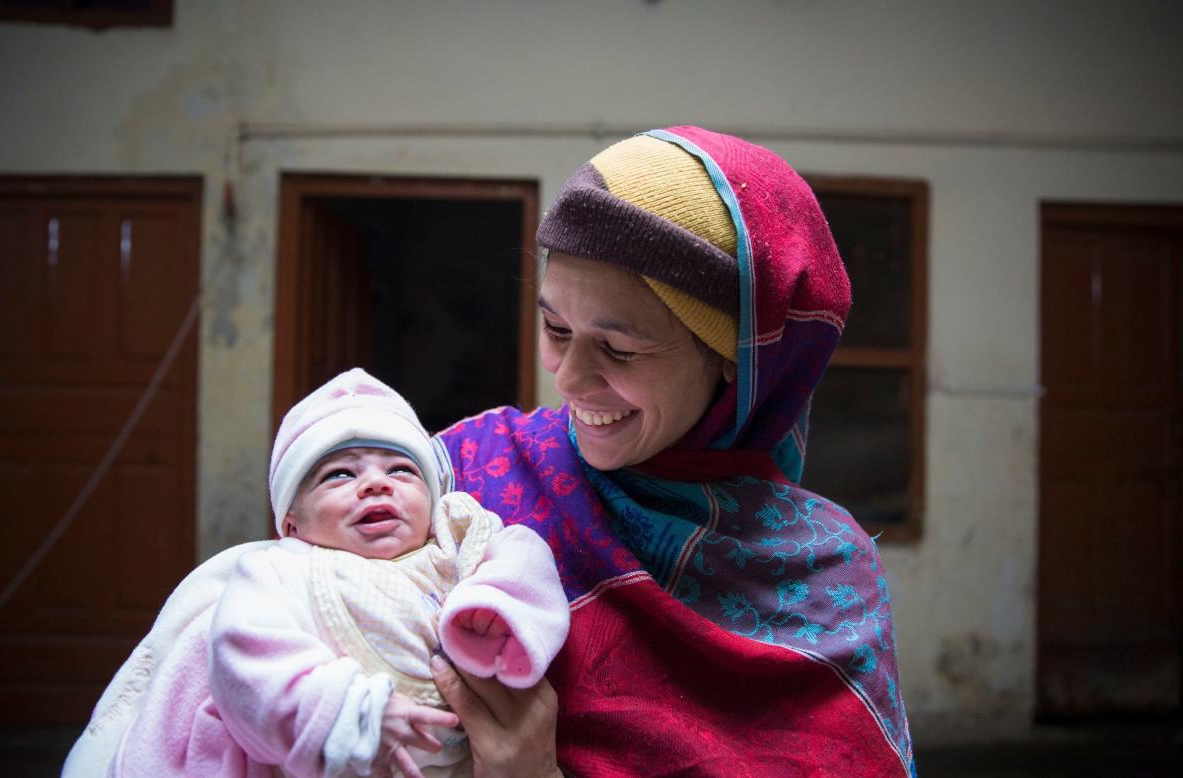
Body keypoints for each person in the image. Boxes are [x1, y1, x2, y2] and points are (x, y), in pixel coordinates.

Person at [428, 126, 915, 777]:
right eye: (555, 328)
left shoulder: (825, 579)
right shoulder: (466, 476)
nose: (568, 378)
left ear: (734, 365)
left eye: (618, 349)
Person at [97, 368, 570, 778]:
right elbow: (244, 655)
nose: (376, 482)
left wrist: (496, 608)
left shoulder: (454, 540)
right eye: (340, 475)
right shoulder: (281, 570)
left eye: (402, 470)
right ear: (291, 524)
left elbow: (526, 559)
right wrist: (345, 712)